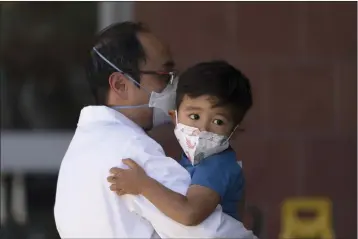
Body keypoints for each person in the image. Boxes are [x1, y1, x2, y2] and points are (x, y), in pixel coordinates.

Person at [54, 21, 257, 238]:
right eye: (164, 75)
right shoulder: (133, 152)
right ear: (121, 85)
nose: (174, 87)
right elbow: (206, 233)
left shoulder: (80, 151)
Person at [108, 61, 251, 226]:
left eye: (218, 121)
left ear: (234, 131)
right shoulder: (192, 161)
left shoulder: (216, 165)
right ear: (173, 117)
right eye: (194, 116)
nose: (203, 129)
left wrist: (142, 185)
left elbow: (189, 213)